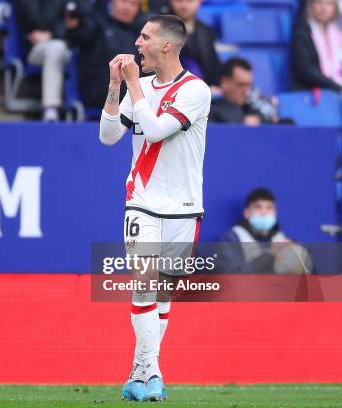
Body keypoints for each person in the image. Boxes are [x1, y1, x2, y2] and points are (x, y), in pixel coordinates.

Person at [99, 15, 211, 401]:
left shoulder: (195, 91)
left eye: (144, 37)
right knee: (144, 285)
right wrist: (116, 86)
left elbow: (160, 129)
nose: (137, 43)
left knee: (162, 295)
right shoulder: (139, 85)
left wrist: (133, 84)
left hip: (183, 206)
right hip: (143, 203)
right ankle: (153, 373)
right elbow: (109, 136)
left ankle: (139, 372)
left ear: (166, 45)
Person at [66, 0, 148, 108]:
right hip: (98, 88)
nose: (127, 7)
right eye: (124, 1)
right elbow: (77, 36)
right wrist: (74, 27)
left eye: (133, 4)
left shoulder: (141, 33)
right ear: (113, 2)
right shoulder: (96, 24)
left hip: (130, 90)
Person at [218, 188, 313, 274]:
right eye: (258, 207)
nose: (264, 212)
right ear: (246, 213)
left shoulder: (280, 238)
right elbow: (232, 274)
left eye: (269, 208)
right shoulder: (233, 237)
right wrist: (270, 254)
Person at [12, 0, 71, 121]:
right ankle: (51, 108)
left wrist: (53, 33)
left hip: (71, 44)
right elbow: (39, 18)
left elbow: (83, 21)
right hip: (36, 47)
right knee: (55, 48)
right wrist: (55, 33)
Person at [169, 0, 221, 91]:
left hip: (205, 90)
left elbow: (214, 67)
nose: (184, 5)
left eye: (189, 1)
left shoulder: (207, 32)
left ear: (199, 1)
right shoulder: (159, 29)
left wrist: (215, 86)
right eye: (178, 1)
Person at [291, 0, 341, 92]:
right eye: (318, 2)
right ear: (311, 5)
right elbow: (305, 71)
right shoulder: (302, 33)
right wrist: (337, 87)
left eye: (328, 3)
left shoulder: (337, 34)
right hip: (313, 93)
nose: (323, 8)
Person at [209, 58, 278, 125]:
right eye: (240, 85)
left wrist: (259, 120)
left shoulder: (251, 107)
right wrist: (242, 122)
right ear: (224, 82)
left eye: (248, 85)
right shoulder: (209, 108)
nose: (246, 90)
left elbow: (273, 120)